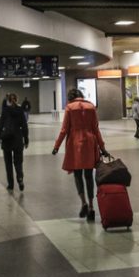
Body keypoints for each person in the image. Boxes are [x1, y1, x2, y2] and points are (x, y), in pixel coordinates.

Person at [52, 87, 107, 221]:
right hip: (90, 142)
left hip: (75, 144)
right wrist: (102, 147)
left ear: (70, 98)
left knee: (78, 175)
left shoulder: (70, 108)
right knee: (89, 176)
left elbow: (64, 130)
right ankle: (92, 207)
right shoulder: (91, 106)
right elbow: (96, 129)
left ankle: (83, 202)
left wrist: (56, 146)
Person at [0, 94, 30, 191]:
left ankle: (10, 184)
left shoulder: (5, 110)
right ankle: (20, 178)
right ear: (16, 99)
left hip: (6, 139)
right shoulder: (20, 111)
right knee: (18, 162)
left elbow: (0, 125)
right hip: (18, 139)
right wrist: (26, 139)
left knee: (8, 163)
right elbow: (24, 126)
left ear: (9, 100)